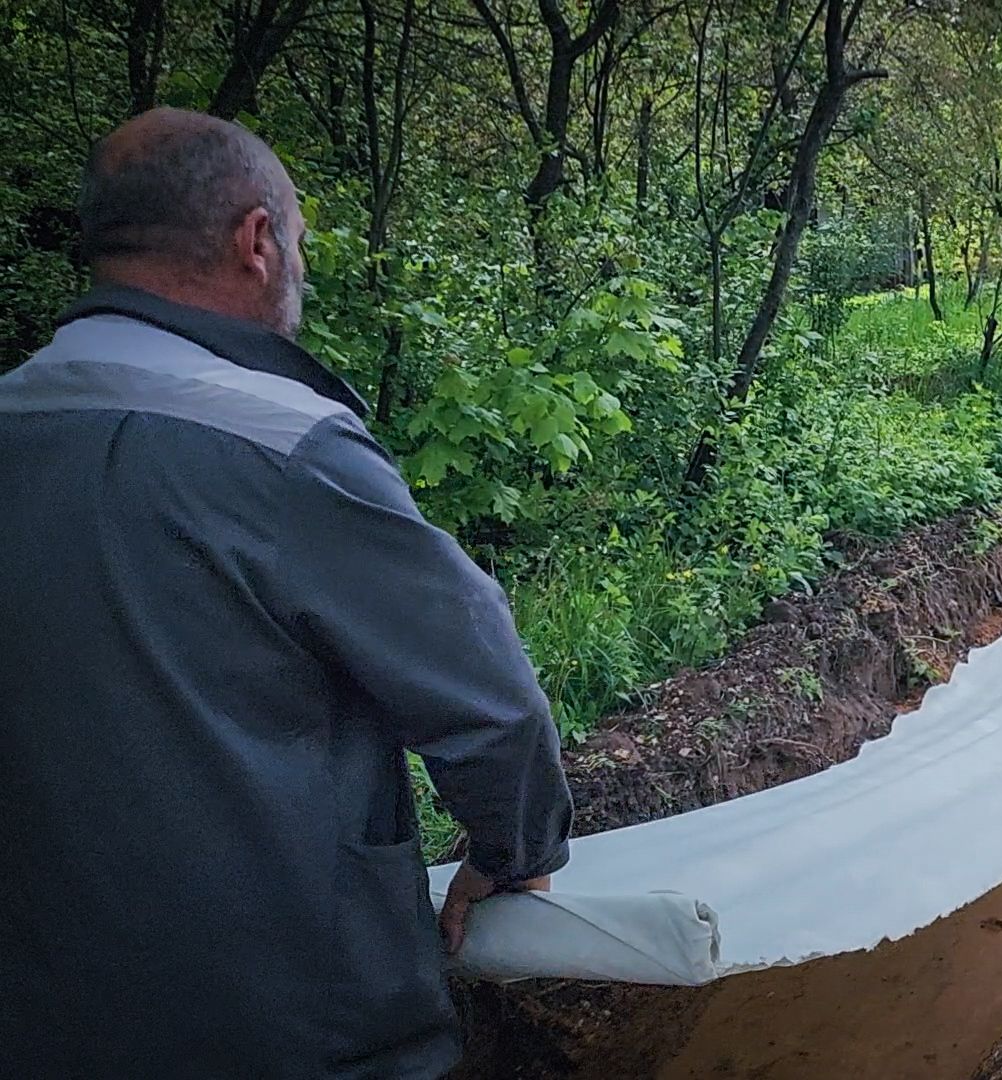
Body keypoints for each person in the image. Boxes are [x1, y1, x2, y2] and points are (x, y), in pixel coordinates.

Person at [0, 108, 573, 1078]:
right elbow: (488, 700)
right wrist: (510, 856)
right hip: (302, 1028)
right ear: (257, 240)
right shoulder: (282, 447)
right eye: (299, 242)